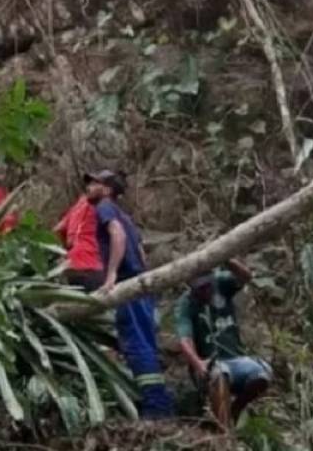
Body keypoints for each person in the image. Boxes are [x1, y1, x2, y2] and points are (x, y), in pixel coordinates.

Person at [85, 169, 174, 419]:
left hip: (128, 287)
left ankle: (155, 410)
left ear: (108, 190)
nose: (89, 187)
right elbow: (140, 250)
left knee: (137, 346)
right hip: (141, 287)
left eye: (95, 183)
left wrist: (112, 274)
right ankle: (161, 404)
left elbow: (117, 235)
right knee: (146, 344)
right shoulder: (126, 217)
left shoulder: (105, 208)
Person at [174, 259, 272, 428]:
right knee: (219, 375)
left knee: (263, 374)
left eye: (207, 286)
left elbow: (246, 276)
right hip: (211, 364)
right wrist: (198, 363)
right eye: (200, 289)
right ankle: (224, 429)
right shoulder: (186, 304)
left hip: (235, 359)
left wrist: (226, 259)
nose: (205, 291)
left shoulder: (222, 283)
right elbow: (185, 340)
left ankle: (236, 409)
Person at [54, 193, 104, 291]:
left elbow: (58, 230)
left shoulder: (76, 207)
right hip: (92, 264)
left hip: (72, 264)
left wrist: (65, 251)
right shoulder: (101, 205)